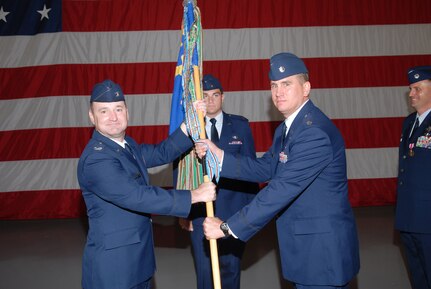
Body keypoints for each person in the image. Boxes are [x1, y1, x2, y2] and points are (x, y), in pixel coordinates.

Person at [197, 52, 360, 289]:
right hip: (304, 247)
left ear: (306, 88)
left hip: (321, 253)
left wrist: (227, 228)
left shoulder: (313, 133)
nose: (278, 92)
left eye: (286, 84)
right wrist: (219, 155)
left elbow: (280, 189)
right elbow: (266, 167)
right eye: (274, 85)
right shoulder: (288, 128)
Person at [77, 79, 216, 289]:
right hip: (115, 270)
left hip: (138, 262)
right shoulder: (97, 159)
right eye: (104, 111)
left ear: (127, 112)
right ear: (91, 116)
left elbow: (162, 152)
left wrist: (190, 124)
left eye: (118, 109)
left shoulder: (126, 145)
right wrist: (194, 195)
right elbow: (137, 196)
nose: (113, 117)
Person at [179, 74, 259, 289]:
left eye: (215, 95)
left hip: (233, 213)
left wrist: (251, 213)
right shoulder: (190, 129)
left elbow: (252, 170)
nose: (211, 100)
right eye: (205, 96)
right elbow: (182, 170)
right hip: (200, 214)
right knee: (205, 274)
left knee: (231, 270)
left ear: (223, 97)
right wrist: (183, 213)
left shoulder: (240, 126)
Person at [395, 66, 431, 289]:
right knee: (418, 275)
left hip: (428, 218)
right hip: (408, 214)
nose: (411, 94)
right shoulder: (409, 123)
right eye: (410, 88)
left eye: (418, 88)